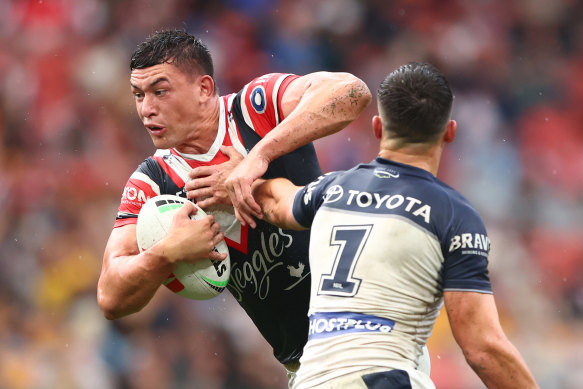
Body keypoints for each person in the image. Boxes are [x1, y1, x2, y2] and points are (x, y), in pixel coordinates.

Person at [96, 29, 372, 385]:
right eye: (138, 95)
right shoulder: (153, 183)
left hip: (364, 329)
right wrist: (166, 253)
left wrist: (258, 157)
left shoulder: (256, 107)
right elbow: (110, 296)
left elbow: (352, 91)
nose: (147, 109)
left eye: (160, 92)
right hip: (307, 366)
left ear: (204, 89)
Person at [247, 62, 539, 388]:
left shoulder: (330, 190)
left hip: (311, 380)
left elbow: (275, 202)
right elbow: (483, 349)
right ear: (450, 132)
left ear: (377, 127)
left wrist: (242, 174)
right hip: (384, 378)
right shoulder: (453, 215)